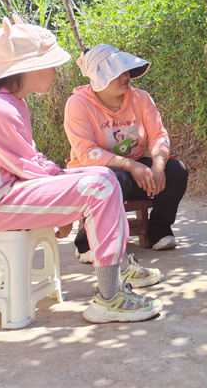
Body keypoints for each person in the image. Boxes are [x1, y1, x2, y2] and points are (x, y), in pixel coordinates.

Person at [0, 16, 162, 323]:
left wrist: (63, 201)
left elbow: (25, 163)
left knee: (103, 177)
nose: (56, 72)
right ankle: (110, 297)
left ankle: (120, 268)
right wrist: (64, 208)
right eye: (50, 63)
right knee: (101, 184)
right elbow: (29, 166)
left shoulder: (3, 102)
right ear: (26, 68)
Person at [64, 44, 188, 258]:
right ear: (98, 76)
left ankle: (159, 231)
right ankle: (86, 241)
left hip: (136, 173)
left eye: (126, 69)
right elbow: (86, 151)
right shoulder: (78, 104)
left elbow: (158, 135)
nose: (126, 76)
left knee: (176, 170)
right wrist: (130, 165)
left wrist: (158, 166)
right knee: (113, 178)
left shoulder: (141, 98)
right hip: (96, 174)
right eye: (118, 72)